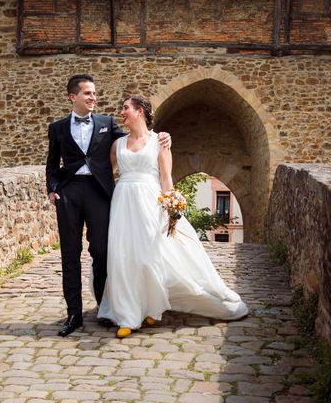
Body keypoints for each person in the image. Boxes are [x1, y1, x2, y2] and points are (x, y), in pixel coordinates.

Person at [97, 95, 249, 338]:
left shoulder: (160, 142)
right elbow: (106, 173)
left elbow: (166, 177)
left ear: (140, 112)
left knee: (150, 256)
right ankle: (128, 314)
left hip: (149, 202)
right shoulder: (118, 144)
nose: (121, 111)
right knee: (123, 256)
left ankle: (151, 307)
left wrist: (173, 207)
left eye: (126, 107)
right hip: (123, 202)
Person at [46, 74, 170, 337]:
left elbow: (138, 136)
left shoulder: (106, 124)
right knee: (70, 255)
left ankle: (106, 308)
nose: (94, 97)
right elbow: (51, 164)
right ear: (73, 97)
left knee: (102, 251)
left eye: (94, 93)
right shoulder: (57, 128)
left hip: (99, 193)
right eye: (88, 93)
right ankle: (73, 315)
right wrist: (52, 189)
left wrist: (163, 137)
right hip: (68, 194)